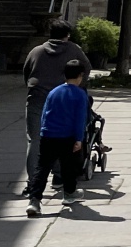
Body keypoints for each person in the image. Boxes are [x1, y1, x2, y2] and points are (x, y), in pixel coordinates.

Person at [23, 21, 90, 185]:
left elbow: (26, 72)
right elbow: (86, 68)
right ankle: (59, 176)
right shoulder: (73, 49)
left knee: (35, 140)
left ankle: (33, 181)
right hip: (63, 99)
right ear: (67, 35)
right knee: (62, 136)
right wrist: (78, 87)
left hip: (37, 97)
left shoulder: (36, 51)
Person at [26, 58, 90, 216]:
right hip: (67, 135)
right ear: (80, 76)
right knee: (69, 166)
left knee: (42, 167)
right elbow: (80, 118)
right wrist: (79, 138)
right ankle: (69, 193)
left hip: (48, 134)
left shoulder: (54, 92)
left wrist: (43, 131)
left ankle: (34, 200)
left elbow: (45, 113)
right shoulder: (80, 94)